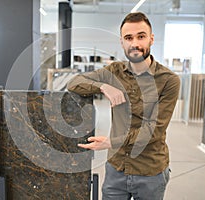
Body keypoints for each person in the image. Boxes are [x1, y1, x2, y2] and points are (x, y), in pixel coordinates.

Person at [67, 12, 180, 200]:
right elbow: (74, 82)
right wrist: (103, 86)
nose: (135, 43)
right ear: (122, 42)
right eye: (129, 38)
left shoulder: (168, 80)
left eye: (141, 36)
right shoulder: (114, 72)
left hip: (150, 172)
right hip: (116, 170)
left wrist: (111, 142)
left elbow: (155, 130)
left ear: (151, 39)